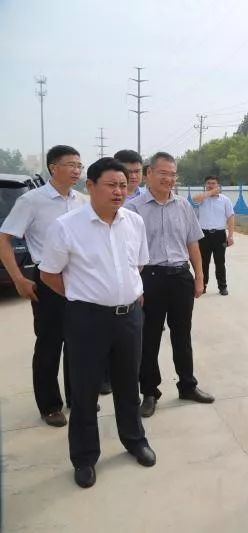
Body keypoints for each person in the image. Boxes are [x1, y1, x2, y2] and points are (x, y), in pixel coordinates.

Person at [38, 157, 156, 489]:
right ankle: (85, 457)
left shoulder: (134, 222)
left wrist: (124, 294)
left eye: (123, 185)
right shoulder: (66, 226)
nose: (119, 191)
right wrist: (83, 296)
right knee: (85, 389)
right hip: (87, 320)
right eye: (111, 185)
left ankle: (134, 440)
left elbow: (138, 265)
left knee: (128, 385)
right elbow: (49, 274)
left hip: (129, 317)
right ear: (90, 186)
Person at [0, 145, 87, 427]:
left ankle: (77, 397)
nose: (77, 170)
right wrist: (18, 278)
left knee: (78, 341)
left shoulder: (81, 200)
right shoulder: (32, 200)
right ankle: (50, 405)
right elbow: (4, 239)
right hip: (48, 278)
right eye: (71, 164)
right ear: (53, 167)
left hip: (79, 278)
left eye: (79, 165)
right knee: (50, 342)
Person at [126, 152, 214, 417]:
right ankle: (149, 392)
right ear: (149, 174)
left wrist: (199, 277)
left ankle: (188, 385)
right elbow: (128, 252)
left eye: (173, 174)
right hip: (149, 279)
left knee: (182, 334)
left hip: (180, 277)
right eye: (163, 173)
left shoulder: (183, 206)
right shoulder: (134, 208)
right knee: (149, 337)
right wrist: (134, 287)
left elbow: (192, 242)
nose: (169, 179)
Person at [191, 175, 235, 295]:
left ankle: (222, 286)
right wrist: (210, 193)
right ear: (205, 185)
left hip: (219, 234)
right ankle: (203, 286)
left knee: (220, 262)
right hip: (203, 235)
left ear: (218, 185)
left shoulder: (225, 200)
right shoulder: (202, 198)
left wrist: (230, 235)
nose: (211, 185)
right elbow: (194, 199)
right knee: (203, 262)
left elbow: (231, 217)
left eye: (213, 183)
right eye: (208, 183)